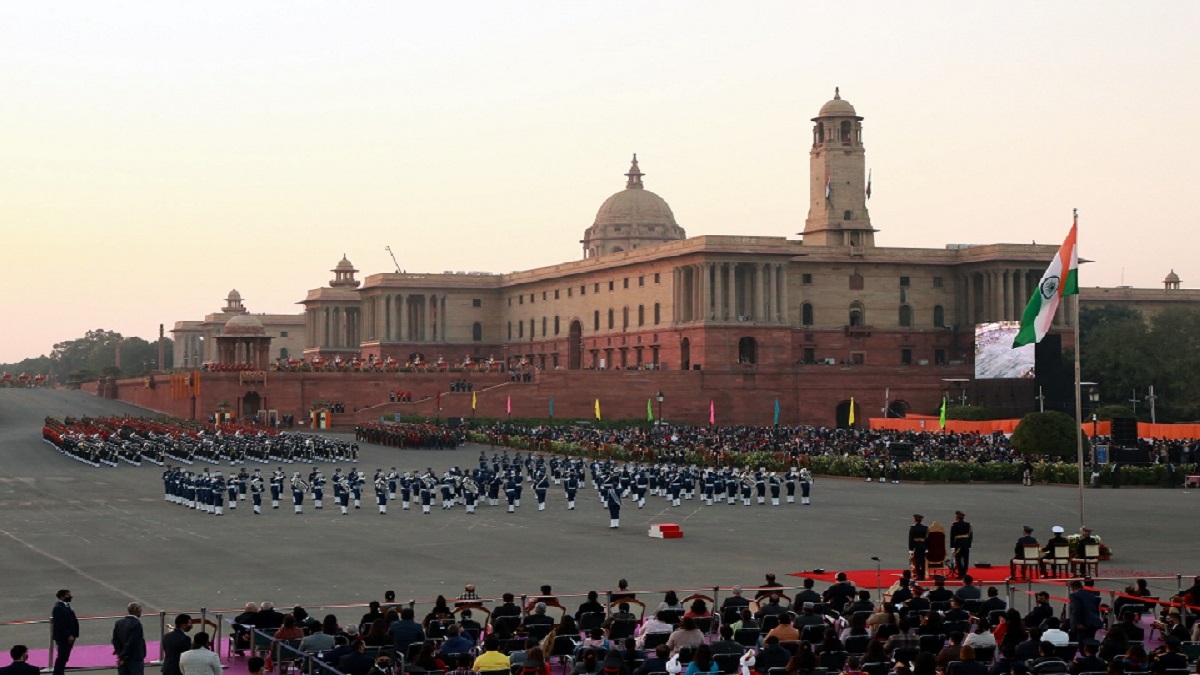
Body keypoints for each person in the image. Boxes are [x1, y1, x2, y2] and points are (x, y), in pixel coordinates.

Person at [112, 603, 146, 675]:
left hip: (122, 659)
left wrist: (120, 655)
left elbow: (115, 640)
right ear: (137, 611)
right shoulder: (136, 624)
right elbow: (132, 642)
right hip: (134, 658)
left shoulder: (119, 623)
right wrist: (124, 656)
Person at [51, 590, 79, 675]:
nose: (70, 596)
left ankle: (60, 672)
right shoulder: (58, 608)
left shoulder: (66, 606)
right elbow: (61, 624)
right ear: (62, 597)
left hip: (70, 635)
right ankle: (58, 673)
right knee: (62, 656)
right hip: (64, 637)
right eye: (68, 595)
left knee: (65, 657)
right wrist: (69, 635)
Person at [950, 511, 973, 578]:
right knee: (966, 559)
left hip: (958, 543)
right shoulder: (968, 524)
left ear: (957, 517)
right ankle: (964, 573)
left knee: (958, 558)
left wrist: (952, 546)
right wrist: (969, 545)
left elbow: (952, 536)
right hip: (966, 543)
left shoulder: (954, 525)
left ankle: (960, 574)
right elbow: (970, 535)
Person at [908, 514, 929, 581]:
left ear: (915, 520)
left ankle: (918, 575)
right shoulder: (925, 528)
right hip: (923, 546)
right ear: (921, 520)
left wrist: (911, 549)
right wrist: (926, 547)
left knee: (916, 561)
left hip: (916, 546)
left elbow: (911, 539)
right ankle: (922, 575)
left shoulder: (913, 528)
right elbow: (927, 539)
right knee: (922, 561)